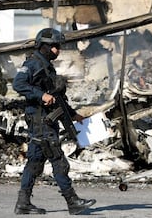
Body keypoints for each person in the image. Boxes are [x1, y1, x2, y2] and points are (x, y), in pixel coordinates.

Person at [12, 28, 96, 215]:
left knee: (34, 163)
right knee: (58, 161)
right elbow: (18, 84)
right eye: (55, 46)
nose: (58, 50)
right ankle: (72, 201)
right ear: (44, 46)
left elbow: (57, 98)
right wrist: (41, 95)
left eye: (58, 46)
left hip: (44, 121)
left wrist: (73, 115)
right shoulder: (33, 64)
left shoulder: (47, 66)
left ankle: (23, 203)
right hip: (42, 121)